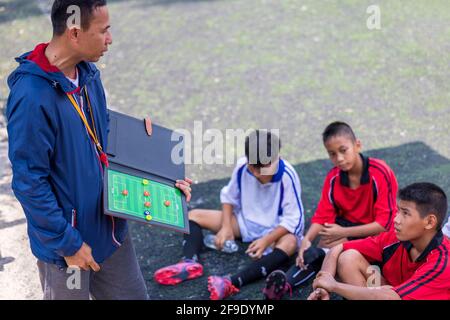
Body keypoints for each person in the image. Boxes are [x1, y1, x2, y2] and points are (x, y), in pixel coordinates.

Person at [6, 0, 192, 300]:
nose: (110, 39)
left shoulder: (89, 74)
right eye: (104, 30)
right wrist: (69, 245)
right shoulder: (31, 98)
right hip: (68, 251)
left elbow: (103, 141)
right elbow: (29, 183)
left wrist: (163, 177)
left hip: (111, 235)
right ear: (75, 33)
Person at [154, 130, 304, 300]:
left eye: (260, 168)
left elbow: (294, 220)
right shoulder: (242, 166)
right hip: (244, 223)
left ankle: (231, 282)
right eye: (252, 167)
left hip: (275, 231)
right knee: (193, 215)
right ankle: (190, 261)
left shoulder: (287, 176)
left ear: (275, 160)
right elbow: (228, 197)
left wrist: (267, 240)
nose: (254, 173)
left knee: (291, 242)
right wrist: (226, 227)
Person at [263, 121, 398, 300]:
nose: (339, 158)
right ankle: (285, 286)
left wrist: (344, 233)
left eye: (343, 150)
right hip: (345, 229)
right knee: (315, 251)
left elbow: (384, 224)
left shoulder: (380, 172)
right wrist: (306, 239)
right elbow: (322, 214)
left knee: (334, 253)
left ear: (357, 145)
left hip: (375, 235)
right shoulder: (333, 177)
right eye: (332, 154)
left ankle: (314, 284)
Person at [308, 182, 450, 300]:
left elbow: (391, 297)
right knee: (349, 257)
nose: (396, 220)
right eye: (398, 211)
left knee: (387, 293)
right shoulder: (396, 238)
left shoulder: (443, 263)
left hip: (392, 296)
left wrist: (334, 286)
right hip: (389, 292)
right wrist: (323, 286)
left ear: (430, 222)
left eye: (405, 213)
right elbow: (337, 248)